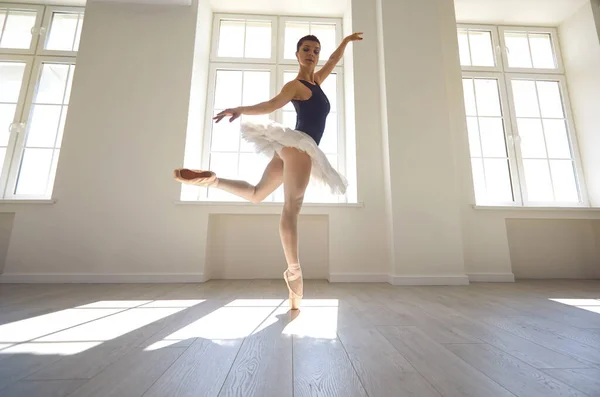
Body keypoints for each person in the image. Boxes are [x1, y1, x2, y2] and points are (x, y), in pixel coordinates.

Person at [174, 32, 363, 310]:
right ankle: (294, 272)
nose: (311, 54)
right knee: (291, 208)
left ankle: (213, 181)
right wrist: (239, 109)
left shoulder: (318, 81)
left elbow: (334, 60)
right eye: (306, 49)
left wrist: (345, 43)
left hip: (292, 147)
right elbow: (271, 105)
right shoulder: (295, 85)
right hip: (299, 146)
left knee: (256, 194)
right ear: (297, 55)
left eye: (315, 50)